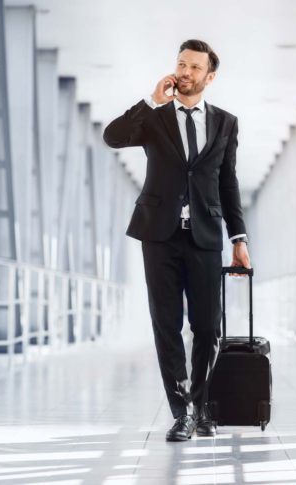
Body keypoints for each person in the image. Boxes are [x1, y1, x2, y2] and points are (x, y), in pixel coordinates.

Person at [103, 39, 251, 441]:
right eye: (181, 65)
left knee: (206, 327)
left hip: (204, 235)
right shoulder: (155, 117)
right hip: (159, 235)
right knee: (165, 324)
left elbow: (227, 182)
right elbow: (112, 138)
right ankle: (182, 411)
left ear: (210, 76)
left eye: (194, 68)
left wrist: (238, 237)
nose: (185, 73)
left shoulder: (225, 123)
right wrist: (150, 102)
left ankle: (203, 406)